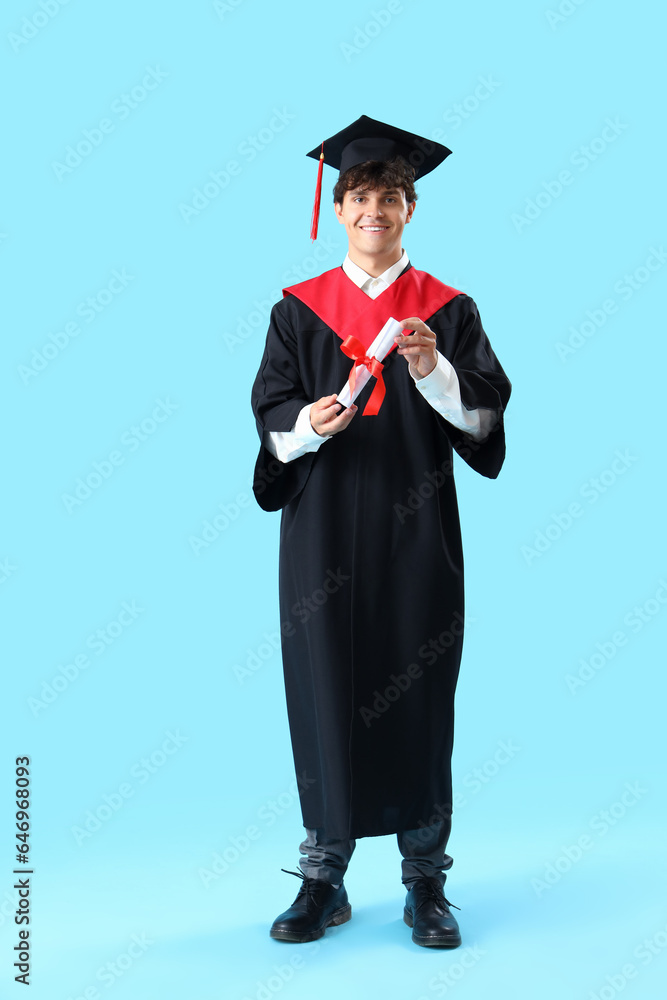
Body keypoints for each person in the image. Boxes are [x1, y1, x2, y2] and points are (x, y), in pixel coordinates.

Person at [250, 115, 511, 948]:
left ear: (409, 208)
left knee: (421, 691)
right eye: (359, 196)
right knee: (322, 689)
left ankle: (425, 883)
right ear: (337, 208)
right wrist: (309, 425)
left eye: (389, 197)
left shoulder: (446, 309)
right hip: (319, 534)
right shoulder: (297, 312)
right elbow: (270, 418)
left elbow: (483, 421)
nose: (374, 209)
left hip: (415, 527)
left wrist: (431, 368)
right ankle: (321, 877)